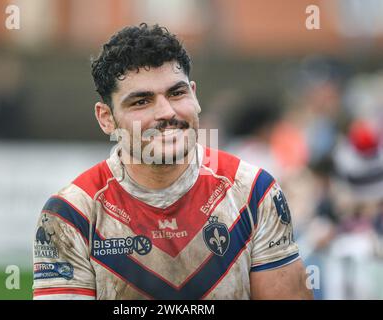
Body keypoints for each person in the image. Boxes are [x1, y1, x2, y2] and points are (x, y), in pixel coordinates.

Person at [32, 23, 313, 300]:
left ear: (194, 93)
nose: (166, 112)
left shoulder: (253, 191)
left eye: (177, 93)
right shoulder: (71, 213)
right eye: (141, 102)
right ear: (106, 118)